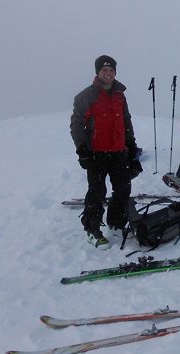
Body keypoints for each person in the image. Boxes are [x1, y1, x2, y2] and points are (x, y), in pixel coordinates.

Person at [70, 55, 142, 249]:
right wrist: (82, 150)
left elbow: (126, 121)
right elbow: (77, 125)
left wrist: (132, 147)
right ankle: (92, 230)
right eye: (104, 70)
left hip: (119, 151)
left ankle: (116, 224)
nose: (108, 74)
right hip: (97, 153)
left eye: (111, 71)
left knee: (123, 188)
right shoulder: (86, 96)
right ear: (97, 72)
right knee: (97, 192)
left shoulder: (120, 94)